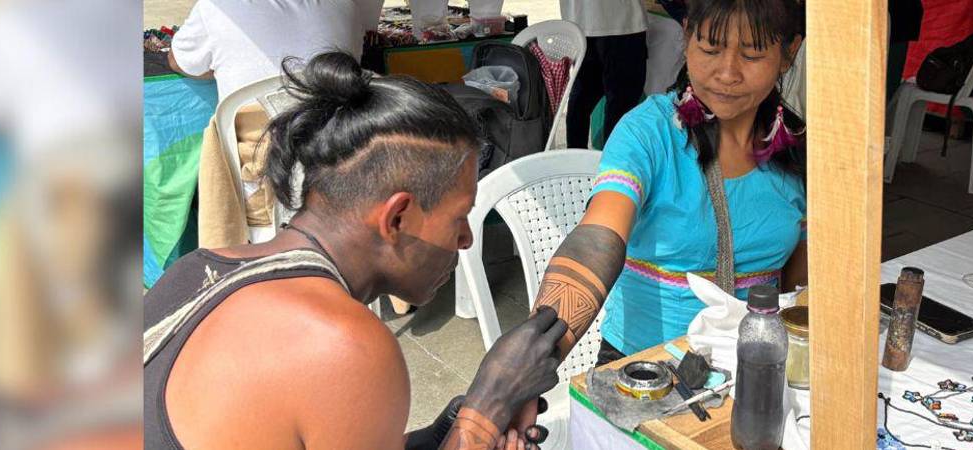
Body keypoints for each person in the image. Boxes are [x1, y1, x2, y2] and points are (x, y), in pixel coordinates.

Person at [143, 52, 563, 450]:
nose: (467, 238)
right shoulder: (342, 347)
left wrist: (434, 437)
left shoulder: (194, 270)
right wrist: (485, 409)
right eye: (460, 216)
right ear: (397, 217)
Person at [527, 0, 808, 363]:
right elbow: (597, 239)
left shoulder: (796, 151)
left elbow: (800, 293)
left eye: (752, 55)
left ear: (789, 53)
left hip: (754, 367)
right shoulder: (648, 133)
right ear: (687, 36)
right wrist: (533, 360)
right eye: (710, 48)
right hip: (643, 370)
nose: (727, 72)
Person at [167, 0, 384, 101]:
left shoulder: (214, 8)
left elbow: (179, 62)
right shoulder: (345, 6)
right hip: (338, 156)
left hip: (253, 168)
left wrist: (224, 68)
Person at [560, 0, 649, 149]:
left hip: (580, 21)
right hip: (623, 22)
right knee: (620, 105)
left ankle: (574, 159)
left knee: (582, 99)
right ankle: (611, 165)